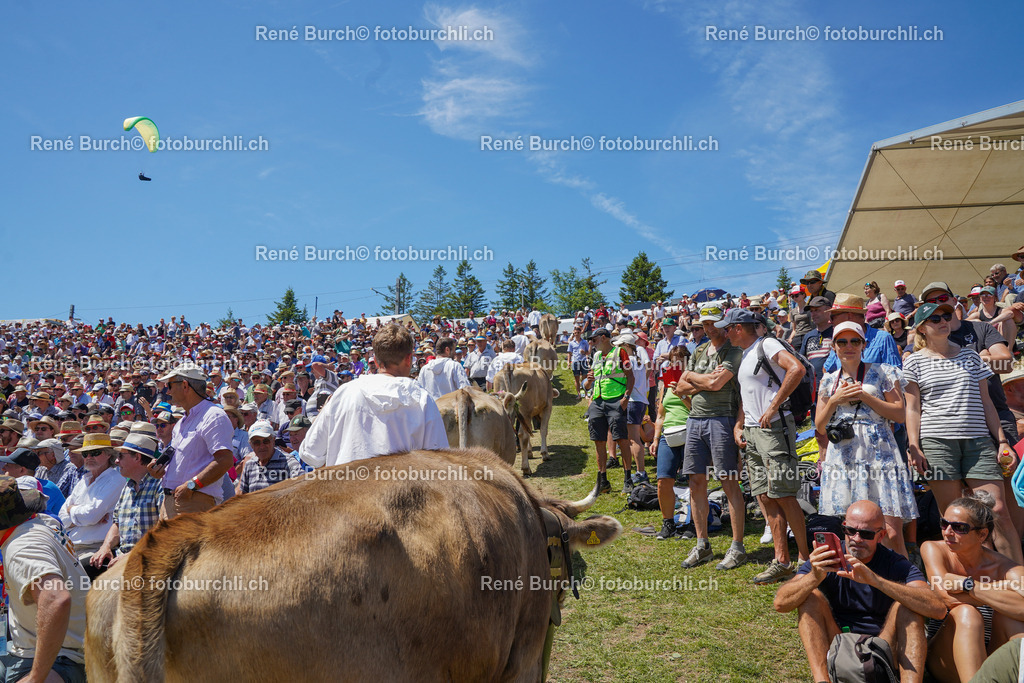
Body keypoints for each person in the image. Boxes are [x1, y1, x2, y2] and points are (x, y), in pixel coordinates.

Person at [774, 500, 946, 683]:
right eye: (850, 531)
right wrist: (814, 577)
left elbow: (937, 609)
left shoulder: (894, 563)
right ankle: (822, 680)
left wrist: (876, 581)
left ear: (881, 536)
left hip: (883, 644)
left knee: (910, 607)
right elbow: (781, 604)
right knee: (810, 597)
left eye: (866, 534)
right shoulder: (827, 558)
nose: (856, 538)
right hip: (839, 639)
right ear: (843, 528)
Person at [904, 302, 1022, 565]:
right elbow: (912, 408)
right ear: (922, 328)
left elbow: (987, 402)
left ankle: (1018, 583)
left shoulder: (970, 356)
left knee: (998, 511)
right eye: (935, 319)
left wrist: (1002, 440)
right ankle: (970, 586)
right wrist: (914, 445)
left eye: (946, 315)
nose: (943, 320)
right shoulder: (913, 362)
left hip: (978, 442)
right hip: (936, 443)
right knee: (955, 520)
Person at [717, 307, 810, 584]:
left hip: (774, 429)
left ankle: (804, 559)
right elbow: (749, 395)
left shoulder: (766, 343)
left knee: (783, 494)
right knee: (765, 496)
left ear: (738, 328)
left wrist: (773, 406)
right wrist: (739, 424)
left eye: (727, 328)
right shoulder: (745, 354)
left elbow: (797, 368)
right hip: (754, 431)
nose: (724, 332)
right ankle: (781, 560)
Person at [815, 322, 915, 556]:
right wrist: (834, 400)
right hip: (844, 455)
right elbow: (820, 426)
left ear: (864, 345)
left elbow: (899, 413)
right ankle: (861, 582)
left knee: (890, 529)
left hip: (879, 451)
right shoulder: (829, 381)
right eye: (842, 342)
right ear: (834, 348)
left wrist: (864, 396)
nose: (848, 347)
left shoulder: (883, 372)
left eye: (855, 341)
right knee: (856, 529)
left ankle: (903, 584)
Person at [298, 325, 448, 468]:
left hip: (344, 490)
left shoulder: (344, 393)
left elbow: (310, 453)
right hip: (399, 491)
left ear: (375, 361)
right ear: (409, 359)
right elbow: (438, 462)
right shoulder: (421, 398)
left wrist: (324, 411)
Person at [670, 304, 747, 570]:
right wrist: (694, 377)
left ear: (724, 324)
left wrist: (692, 378)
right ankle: (702, 543)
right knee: (695, 482)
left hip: (721, 419)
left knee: (728, 482)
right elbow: (681, 386)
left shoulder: (734, 351)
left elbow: (716, 384)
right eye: (704, 323)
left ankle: (737, 547)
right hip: (695, 420)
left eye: (713, 322)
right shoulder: (700, 349)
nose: (708, 327)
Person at [922, 493, 1024, 683]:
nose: (947, 532)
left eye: (959, 528)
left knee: (1010, 618)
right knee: (966, 613)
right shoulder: (933, 549)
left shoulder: (1004, 566)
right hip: (945, 655)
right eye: (944, 524)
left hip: (990, 651)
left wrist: (968, 586)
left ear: (982, 534)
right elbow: (947, 598)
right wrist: (1006, 587)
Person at [0, 474, 89, 683]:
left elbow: (56, 599)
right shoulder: (40, 521)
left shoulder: (23, 546)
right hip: (55, 648)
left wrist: (35, 679)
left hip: (61, 658)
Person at [154, 364, 235, 520]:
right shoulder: (182, 422)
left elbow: (225, 460)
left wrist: (192, 485)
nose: (168, 391)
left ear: (185, 385)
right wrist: (158, 471)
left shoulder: (214, 415)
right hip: (174, 501)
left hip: (193, 501)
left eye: (170, 385)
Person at [92, 433, 163, 568]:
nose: (116, 461)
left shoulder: (159, 486)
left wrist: (132, 554)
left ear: (137, 457)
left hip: (148, 559)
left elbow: (163, 530)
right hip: (123, 556)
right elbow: (117, 523)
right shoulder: (127, 486)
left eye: (121, 456)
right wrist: (105, 547)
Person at [59, 433, 126, 565]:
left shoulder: (115, 480)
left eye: (95, 452)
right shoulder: (84, 481)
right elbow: (61, 517)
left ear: (108, 454)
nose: (89, 457)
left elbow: (90, 516)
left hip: (96, 548)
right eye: (85, 454)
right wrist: (84, 517)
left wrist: (71, 510)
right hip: (72, 547)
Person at [585, 328, 634, 495]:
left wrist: (625, 398)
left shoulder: (620, 352)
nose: (592, 343)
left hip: (615, 400)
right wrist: (588, 383)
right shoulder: (596, 356)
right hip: (598, 401)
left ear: (604, 338)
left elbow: (630, 376)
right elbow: (589, 383)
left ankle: (628, 479)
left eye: (594, 339)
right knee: (598, 441)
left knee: (622, 439)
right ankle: (603, 481)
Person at [236, 420, 305, 494]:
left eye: (266, 441)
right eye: (256, 442)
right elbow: (242, 496)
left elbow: (303, 486)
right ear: (251, 445)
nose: (262, 446)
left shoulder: (288, 462)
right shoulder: (250, 465)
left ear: (273, 440)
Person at [567, 327, 590, 399]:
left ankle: (586, 394)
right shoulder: (571, 343)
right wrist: (568, 362)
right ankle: (579, 394)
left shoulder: (585, 342)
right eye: (575, 333)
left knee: (584, 378)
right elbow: (569, 353)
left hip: (583, 361)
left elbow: (588, 352)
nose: (576, 334)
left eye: (578, 333)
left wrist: (584, 352)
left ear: (580, 333)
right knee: (576, 379)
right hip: (575, 361)